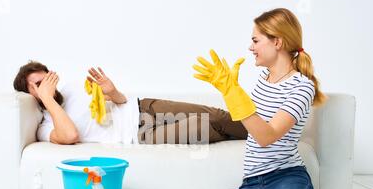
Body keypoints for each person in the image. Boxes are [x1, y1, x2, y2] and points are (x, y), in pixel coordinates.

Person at [194, 8, 373, 189]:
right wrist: (232, 92)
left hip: (286, 180)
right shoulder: (264, 78)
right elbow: (252, 124)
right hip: (252, 184)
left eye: (256, 40)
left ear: (277, 42)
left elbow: (267, 136)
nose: (250, 47)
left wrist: (233, 93)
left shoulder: (302, 87)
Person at [13, 62, 248, 145]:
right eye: (37, 85)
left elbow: (120, 101)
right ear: (30, 93)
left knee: (217, 115)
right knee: (202, 127)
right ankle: (258, 136)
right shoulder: (46, 128)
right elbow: (71, 136)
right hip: (140, 134)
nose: (46, 86)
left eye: (46, 79)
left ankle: (267, 129)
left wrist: (113, 92)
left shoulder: (74, 87)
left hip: (144, 107)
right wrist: (47, 99)